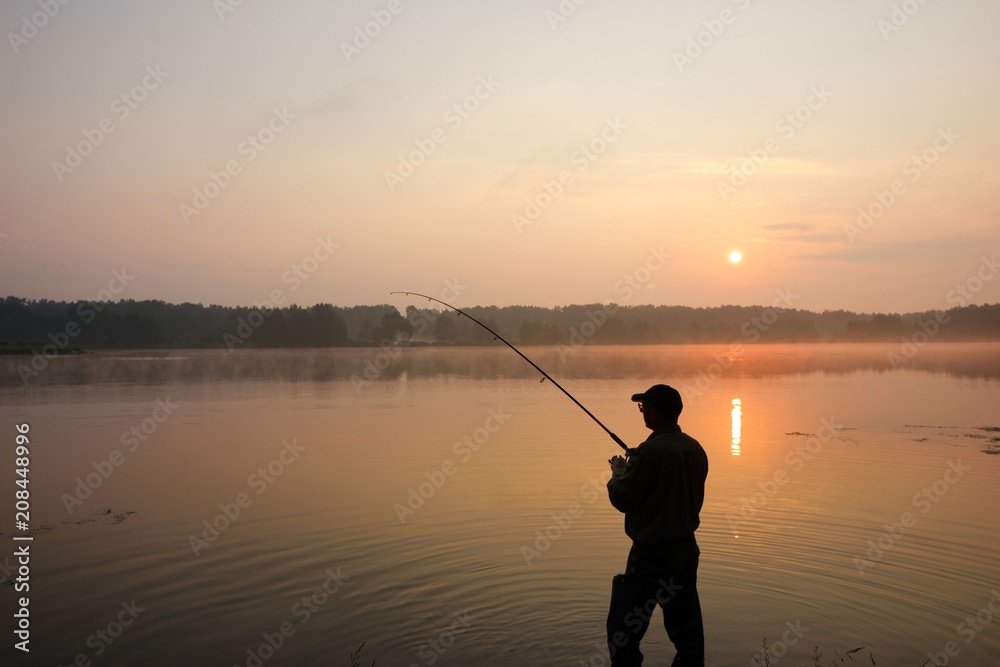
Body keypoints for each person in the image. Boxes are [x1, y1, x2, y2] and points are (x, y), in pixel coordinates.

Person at [605, 384, 708, 667]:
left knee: (623, 634)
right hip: (685, 553)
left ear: (654, 413)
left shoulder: (648, 454)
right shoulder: (695, 449)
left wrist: (618, 474)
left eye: (643, 408)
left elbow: (624, 498)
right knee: (688, 638)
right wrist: (639, 464)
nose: (642, 413)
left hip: (650, 557)